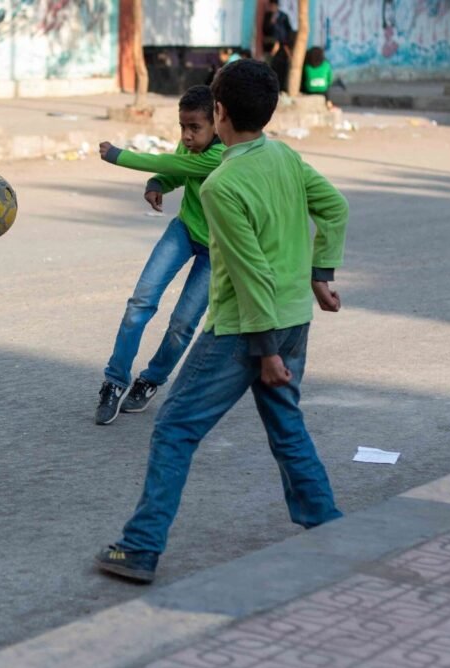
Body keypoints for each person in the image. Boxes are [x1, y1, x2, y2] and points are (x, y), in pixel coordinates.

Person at [95, 59, 348, 584]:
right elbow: (335, 207)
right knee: (287, 427)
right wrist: (321, 273)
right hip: (293, 321)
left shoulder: (221, 185)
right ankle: (330, 527)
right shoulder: (284, 155)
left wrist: (266, 352)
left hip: (245, 332)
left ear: (219, 112)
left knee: (174, 428)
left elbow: (251, 271)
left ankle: (140, 547)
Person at [94, 85, 225, 425]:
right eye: (183, 127)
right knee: (140, 303)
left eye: (195, 128)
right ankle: (113, 381)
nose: (186, 135)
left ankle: (151, 380)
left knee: (183, 324)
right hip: (183, 231)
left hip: (218, 249)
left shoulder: (221, 155)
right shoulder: (194, 148)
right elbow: (176, 169)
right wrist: (157, 184)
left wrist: (119, 156)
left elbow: (168, 161)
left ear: (217, 123)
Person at [263, 0, 294, 92]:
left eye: (273, 5)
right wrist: (271, 23)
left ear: (276, 6)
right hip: (271, 46)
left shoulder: (283, 16)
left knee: (282, 67)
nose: (272, 7)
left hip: (283, 46)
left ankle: (281, 88)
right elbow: (265, 30)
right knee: (272, 66)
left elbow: (288, 31)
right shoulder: (268, 16)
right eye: (270, 5)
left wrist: (286, 45)